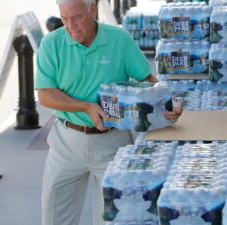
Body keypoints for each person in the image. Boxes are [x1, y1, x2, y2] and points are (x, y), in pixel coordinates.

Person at [35, 0, 182, 224]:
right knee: (54, 217)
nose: (70, 25)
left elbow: (148, 80)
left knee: (113, 219)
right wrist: (85, 107)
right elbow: (45, 94)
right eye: (64, 18)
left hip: (113, 143)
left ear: (92, 10)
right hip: (66, 143)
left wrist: (169, 101)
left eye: (76, 17)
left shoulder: (119, 39)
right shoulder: (51, 44)